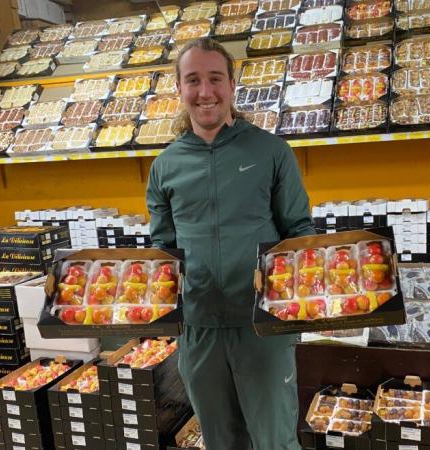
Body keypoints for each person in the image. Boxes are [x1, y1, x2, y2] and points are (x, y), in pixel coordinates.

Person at [146, 37, 315, 450]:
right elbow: (162, 249)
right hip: (199, 329)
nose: (205, 92)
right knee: (221, 440)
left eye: (215, 78)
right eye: (193, 80)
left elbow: (299, 231)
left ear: (231, 84)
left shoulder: (270, 151)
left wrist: (297, 301)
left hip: (263, 326)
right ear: (179, 88)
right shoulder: (165, 166)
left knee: (274, 439)